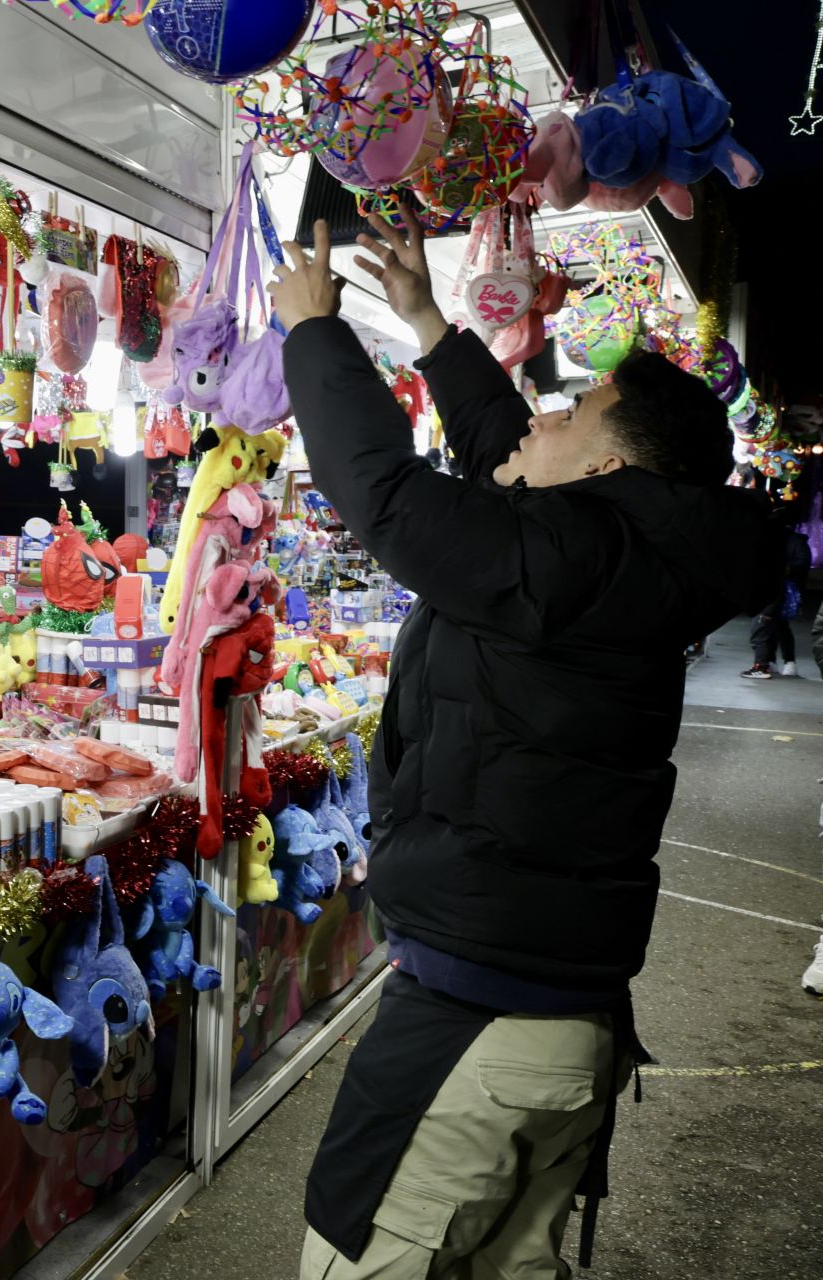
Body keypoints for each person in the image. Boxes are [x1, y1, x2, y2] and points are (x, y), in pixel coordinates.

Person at [268, 211, 779, 1280]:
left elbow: (393, 501)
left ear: (612, 457)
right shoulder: (623, 550)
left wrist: (317, 334)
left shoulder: (574, 554)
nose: (540, 415)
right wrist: (427, 323)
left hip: (478, 1021)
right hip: (560, 1016)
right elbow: (508, 454)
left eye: (572, 406)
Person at [742, 506, 811, 678]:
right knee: (775, 627)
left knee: (767, 625)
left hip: (780, 590)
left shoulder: (782, 540)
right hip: (781, 589)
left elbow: (798, 563)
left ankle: (767, 665)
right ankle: (773, 662)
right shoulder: (786, 540)